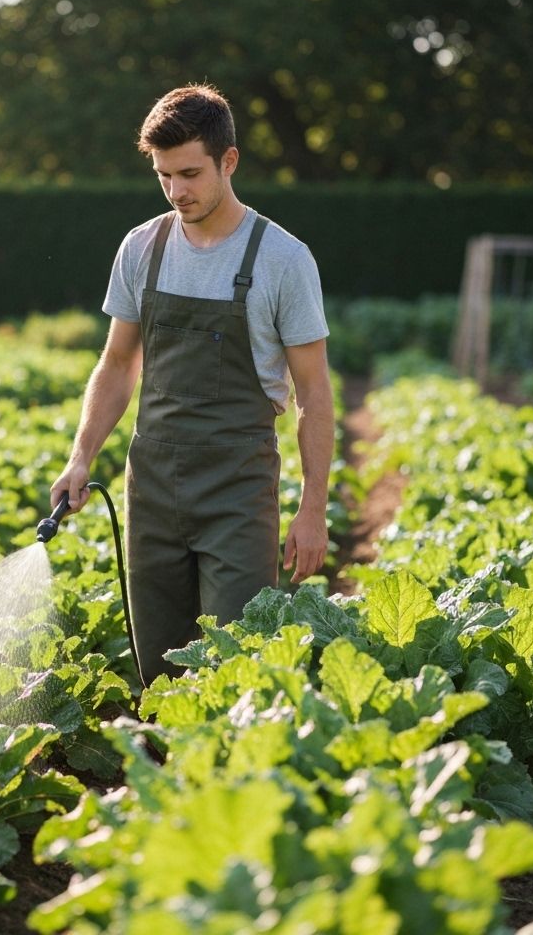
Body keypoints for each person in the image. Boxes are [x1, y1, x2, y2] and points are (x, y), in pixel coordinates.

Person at [51, 83, 334, 686]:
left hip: (237, 489)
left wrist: (313, 510)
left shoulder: (283, 259)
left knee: (238, 665)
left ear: (229, 162)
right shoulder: (142, 248)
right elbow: (118, 363)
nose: (177, 192)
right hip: (150, 487)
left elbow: (313, 393)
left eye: (189, 174)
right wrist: (81, 458)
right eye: (163, 177)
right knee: (159, 668)